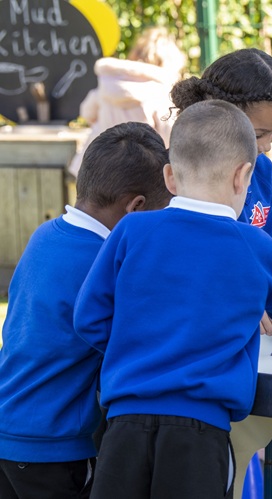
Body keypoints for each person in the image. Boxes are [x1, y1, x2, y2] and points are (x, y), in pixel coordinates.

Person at [73, 100, 272, 499]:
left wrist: (138, 349)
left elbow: (88, 319)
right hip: (200, 432)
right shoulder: (252, 243)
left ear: (169, 176)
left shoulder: (131, 230)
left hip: (123, 425)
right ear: (244, 177)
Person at [169, 48, 272, 497]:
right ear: (224, 118)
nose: (268, 146)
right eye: (260, 133)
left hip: (253, 359)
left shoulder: (260, 171)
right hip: (199, 374)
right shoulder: (182, 172)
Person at [0, 122, 173, 499]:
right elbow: (134, 341)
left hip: (9, 425)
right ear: (137, 207)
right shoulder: (104, 263)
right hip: (53, 443)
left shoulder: (45, 234)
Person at [68, 26, 187, 178]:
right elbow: (171, 136)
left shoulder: (110, 83)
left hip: (96, 168)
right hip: (139, 173)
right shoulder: (162, 93)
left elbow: (86, 112)